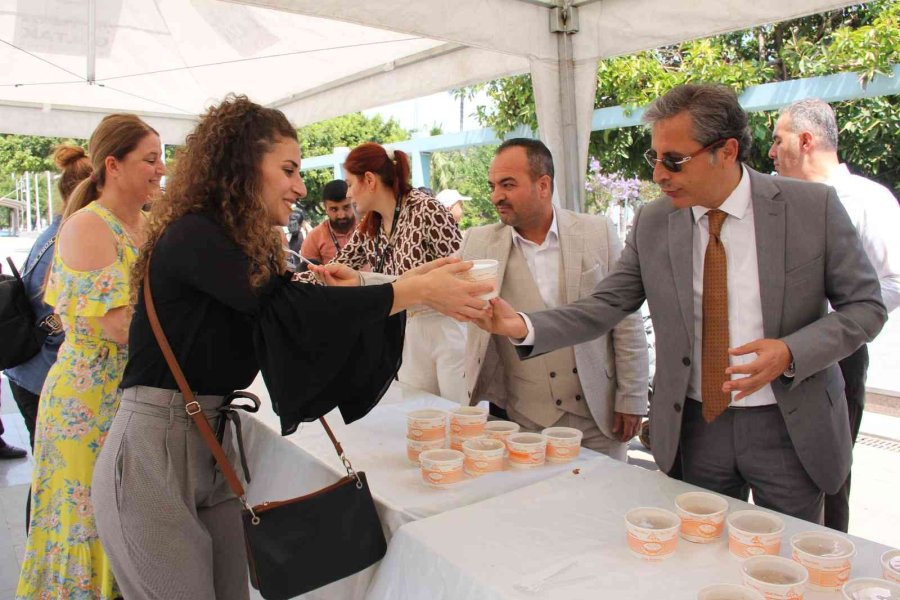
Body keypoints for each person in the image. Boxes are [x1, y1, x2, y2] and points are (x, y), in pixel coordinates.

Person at [90, 96, 489, 600]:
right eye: (289, 169)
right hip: (153, 450)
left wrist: (401, 282)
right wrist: (416, 291)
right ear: (242, 166)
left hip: (208, 443)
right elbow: (291, 311)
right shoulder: (193, 236)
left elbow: (300, 305)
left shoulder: (236, 243)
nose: (301, 187)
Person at [478, 84, 887, 523]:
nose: (658, 175)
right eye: (655, 159)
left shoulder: (811, 207)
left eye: (674, 161)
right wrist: (522, 326)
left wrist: (791, 352)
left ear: (726, 151)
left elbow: (866, 307)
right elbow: (604, 305)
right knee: (697, 554)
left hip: (789, 428)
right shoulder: (654, 222)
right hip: (696, 427)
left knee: (789, 567)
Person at [17, 114, 164, 599]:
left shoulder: (145, 223)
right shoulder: (88, 225)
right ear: (113, 165)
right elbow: (118, 326)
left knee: (124, 531)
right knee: (88, 527)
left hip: (130, 400)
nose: (161, 169)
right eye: (150, 159)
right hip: (88, 403)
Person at [461, 139, 649, 460]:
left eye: (508, 185)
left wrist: (631, 399)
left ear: (543, 185)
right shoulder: (477, 243)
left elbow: (626, 320)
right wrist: (364, 284)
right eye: (493, 186)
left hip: (600, 419)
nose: (496, 196)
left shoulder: (597, 232)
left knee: (606, 506)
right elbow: (429, 286)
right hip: (524, 422)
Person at [769, 97, 900, 532]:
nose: (770, 151)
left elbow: (893, 281)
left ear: (805, 140)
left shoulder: (868, 200)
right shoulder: (771, 200)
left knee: (828, 477)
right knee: (769, 471)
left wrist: (825, 328)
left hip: (836, 359)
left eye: (777, 138)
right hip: (767, 355)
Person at [305, 142, 469, 403]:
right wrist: (287, 284)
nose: (348, 194)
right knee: (420, 418)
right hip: (408, 329)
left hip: (447, 327)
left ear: (369, 180)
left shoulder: (426, 209)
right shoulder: (371, 225)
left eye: (349, 184)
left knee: (459, 416)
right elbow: (334, 269)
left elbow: (462, 270)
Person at [5, 145, 92, 452]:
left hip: (27, 370)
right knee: (51, 469)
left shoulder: (55, 233)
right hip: (40, 374)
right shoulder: (71, 240)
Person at [300, 179, 356, 264]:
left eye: (346, 207)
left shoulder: (369, 227)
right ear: (325, 208)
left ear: (353, 203)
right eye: (334, 209)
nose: (341, 215)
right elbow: (309, 274)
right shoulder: (314, 238)